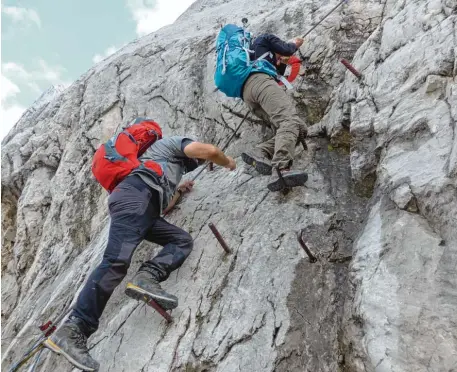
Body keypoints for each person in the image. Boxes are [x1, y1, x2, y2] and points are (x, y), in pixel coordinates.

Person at [45, 134, 237, 371]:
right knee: (116, 262)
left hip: (144, 207)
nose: (195, 164)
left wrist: (178, 191)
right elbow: (209, 150)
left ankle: (147, 277)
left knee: (181, 240)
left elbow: (163, 207)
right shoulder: (172, 144)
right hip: (135, 199)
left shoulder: (163, 167)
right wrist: (228, 161)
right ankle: (74, 328)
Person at [239, 33, 309, 192]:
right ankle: (281, 169)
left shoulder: (255, 56)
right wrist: (294, 44)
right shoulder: (265, 38)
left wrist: (281, 61)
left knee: (299, 128)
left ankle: (260, 151)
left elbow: (278, 75)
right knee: (289, 121)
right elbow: (286, 49)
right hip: (261, 83)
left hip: (248, 94)